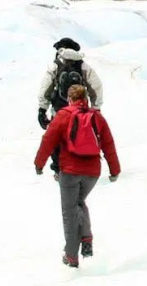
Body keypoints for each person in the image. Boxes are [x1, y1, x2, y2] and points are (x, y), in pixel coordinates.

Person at [34, 83, 120, 268]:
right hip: (92, 173)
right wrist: (114, 170)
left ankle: (71, 256)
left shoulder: (63, 116)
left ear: (70, 99)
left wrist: (39, 164)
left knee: (69, 212)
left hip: (70, 171)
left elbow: (48, 140)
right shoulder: (97, 117)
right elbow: (108, 144)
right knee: (79, 202)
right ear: (86, 99)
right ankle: (86, 239)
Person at [36, 38, 104, 174]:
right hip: (81, 111)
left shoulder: (55, 65)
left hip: (59, 110)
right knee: (80, 136)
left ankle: (58, 169)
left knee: (56, 138)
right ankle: (80, 166)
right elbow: (96, 87)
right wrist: (96, 108)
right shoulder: (83, 66)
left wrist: (42, 109)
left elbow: (45, 88)